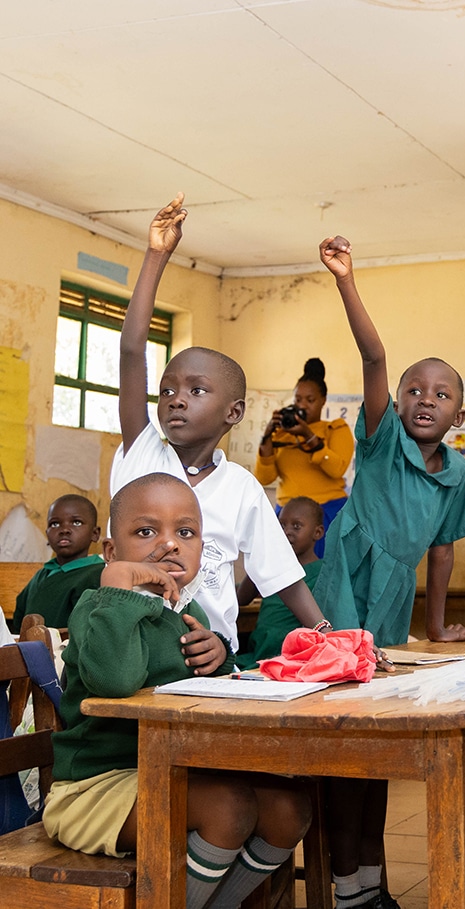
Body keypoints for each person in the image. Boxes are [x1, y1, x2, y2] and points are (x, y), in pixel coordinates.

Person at [42, 473, 311, 909]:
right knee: (228, 808)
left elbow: (210, 692)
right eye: (146, 532)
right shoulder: (98, 606)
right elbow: (115, 682)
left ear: (202, 549)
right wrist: (118, 585)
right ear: (111, 551)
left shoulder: (186, 611)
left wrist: (219, 656)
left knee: (289, 809)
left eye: (185, 532)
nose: (169, 544)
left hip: (168, 771)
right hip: (94, 790)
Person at [314, 234, 465, 909]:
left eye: (439, 393)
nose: (422, 397)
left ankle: (367, 885)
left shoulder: (459, 470)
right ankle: (346, 880)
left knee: (374, 746)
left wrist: (436, 626)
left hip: (392, 600)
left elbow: (442, 550)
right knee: (337, 741)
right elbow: (374, 355)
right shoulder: (382, 440)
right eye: (414, 388)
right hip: (344, 585)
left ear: (458, 415)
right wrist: (347, 279)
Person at [111, 193, 329, 652]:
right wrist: (156, 255)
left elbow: (282, 575)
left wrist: (328, 635)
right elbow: (132, 351)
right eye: (167, 389)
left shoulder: (243, 488)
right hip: (131, 643)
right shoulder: (142, 449)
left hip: (210, 651)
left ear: (233, 412)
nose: (175, 400)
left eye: (195, 391)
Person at [255, 357, 353, 557]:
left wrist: (309, 435)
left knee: (324, 572)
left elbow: (336, 469)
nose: (303, 406)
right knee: (282, 573)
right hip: (287, 514)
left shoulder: (335, 429)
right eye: (298, 400)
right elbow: (264, 478)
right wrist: (267, 436)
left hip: (326, 513)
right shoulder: (283, 433)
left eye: (310, 400)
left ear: (323, 400)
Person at [235, 496, 325, 669]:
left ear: (317, 533)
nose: (287, 532)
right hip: (257, 655)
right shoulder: (271, 568)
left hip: (291, 659)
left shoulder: (323, 572)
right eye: (281, 525)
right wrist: (260, 562)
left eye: (296, 526)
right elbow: (240, 599)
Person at [12, 494, 104, 630]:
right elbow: (19, 616)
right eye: (55, 524)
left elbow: (89, 628)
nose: (64, 530)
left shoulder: (96, 574)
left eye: (76, 522)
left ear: (95, 534)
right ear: (47, 534)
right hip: (29, 649)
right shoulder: (43, 573)